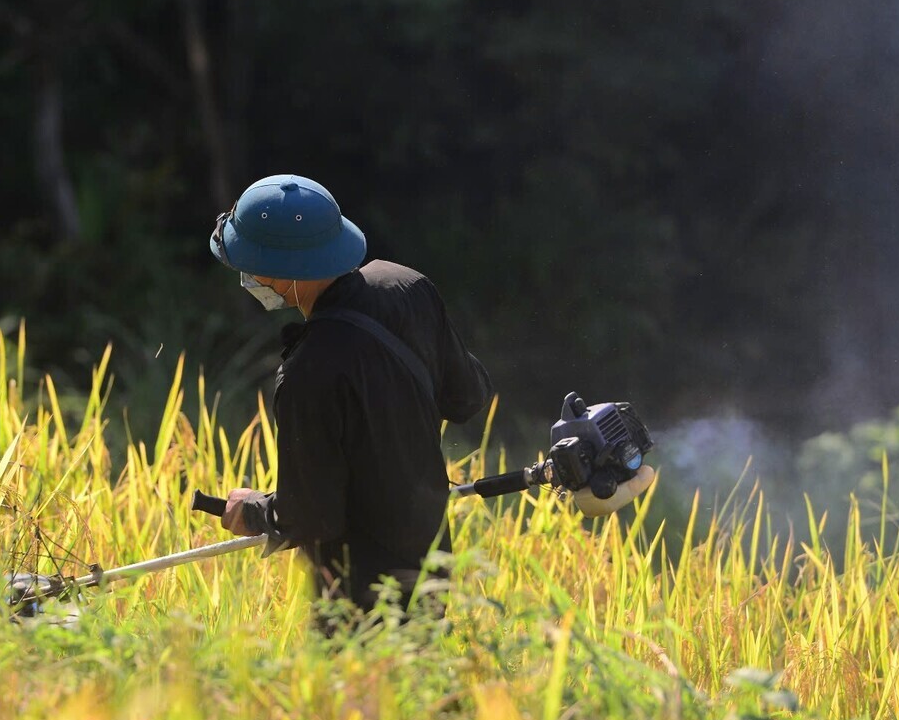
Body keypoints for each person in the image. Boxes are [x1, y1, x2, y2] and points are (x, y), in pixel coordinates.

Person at [208, 173, 654, 622]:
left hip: (360, 595)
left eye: (252, 265)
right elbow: (467, 396)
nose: (248, 277)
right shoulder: (406, 285)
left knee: (371, 694)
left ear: (288, 271)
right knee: (426, 686)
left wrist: (256, 511)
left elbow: (313, 518)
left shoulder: (307, 371)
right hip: (431, 561)